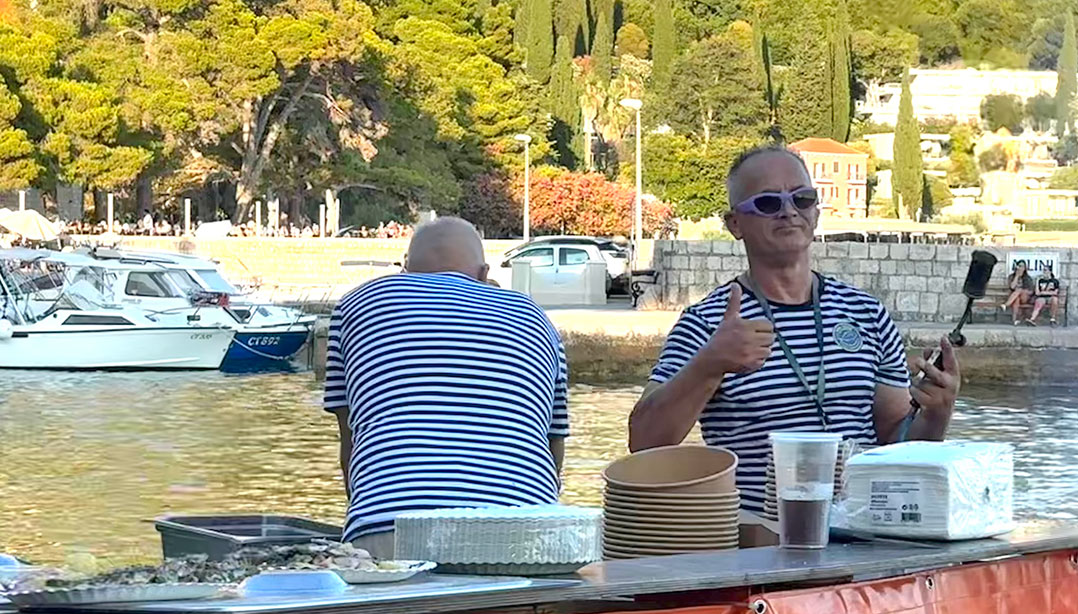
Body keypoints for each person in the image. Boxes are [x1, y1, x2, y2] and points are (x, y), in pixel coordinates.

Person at [628, 146, 960, 516]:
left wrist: (936, 413)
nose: (788, 211)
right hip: (761, 539)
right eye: (768, 203)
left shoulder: (866, 313)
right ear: (735, 224)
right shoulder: (707, 322)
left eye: (802, 198)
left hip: (862, 533)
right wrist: (710, 364)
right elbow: (644, 442)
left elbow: (895, 443)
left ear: (816, 211)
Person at [323, 217, 569, 557]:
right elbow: (553, 446)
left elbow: (350, 441)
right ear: (484, 274)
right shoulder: (534, 317)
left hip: (390, 523)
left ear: (406, 269)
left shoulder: (359, 303)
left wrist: (370, 511)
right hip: (526, 529)